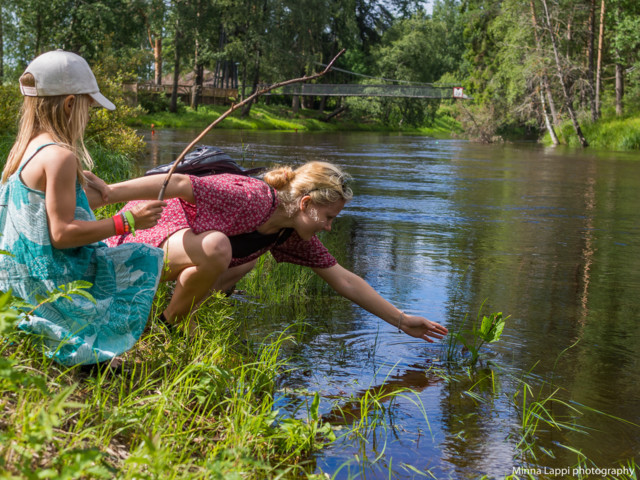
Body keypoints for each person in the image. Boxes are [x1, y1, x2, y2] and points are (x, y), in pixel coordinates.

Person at [106, 161, 449, 342]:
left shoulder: (289, 232)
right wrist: (108, 193)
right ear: (305, 204)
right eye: (328, 217)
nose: (329, 227)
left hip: (166, 256)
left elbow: (344, 280)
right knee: (218, 246)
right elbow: (179, 183)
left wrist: (402, 320)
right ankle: (169, 318)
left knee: (242, 260)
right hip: (137, 246)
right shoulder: (251, 196)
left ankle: (169, 324)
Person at [0, 50, 169, 367]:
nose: (89, 115)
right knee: (142, 257)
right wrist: (127, 221)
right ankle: (94, 346)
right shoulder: (61, 156)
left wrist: (84, 184)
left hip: (17, 284)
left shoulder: (25, 149)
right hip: (48, 286)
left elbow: (38, 210)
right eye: (88, 106)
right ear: (69, 105)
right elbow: (62, 233)